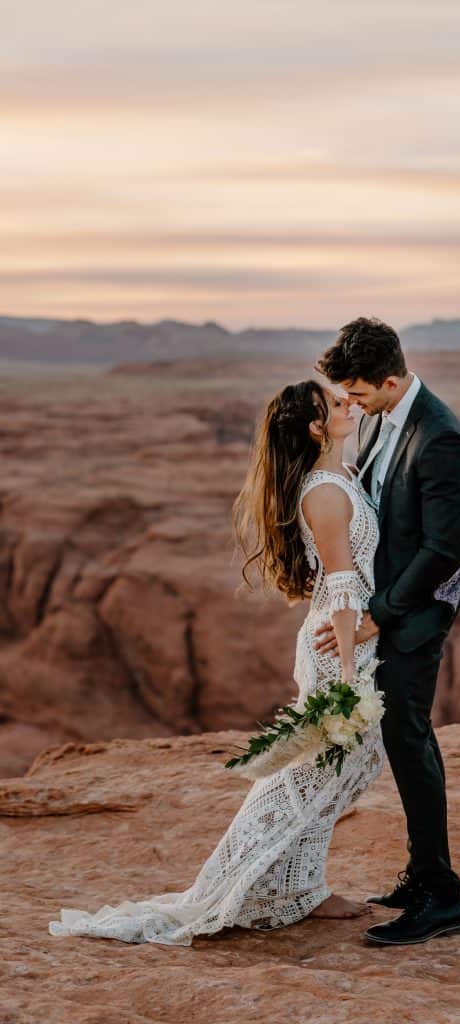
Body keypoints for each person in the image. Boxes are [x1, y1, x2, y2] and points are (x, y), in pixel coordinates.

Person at [48, 379, 386, 946]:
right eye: (334, 403)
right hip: (339, 646)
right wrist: (350, 674)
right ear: (314, 428)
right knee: (316, 770)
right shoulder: (326, 492)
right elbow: (344, 584)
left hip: (348, 638)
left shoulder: (340, 476)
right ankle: (241, 882)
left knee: (348, 767)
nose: (347, 404)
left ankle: (300, 885)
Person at [314, 315, 460, 946]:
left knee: (408, 739)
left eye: (358, 392)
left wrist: (378, 613)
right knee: (405, 738)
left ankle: (442, 897)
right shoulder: (382, 415)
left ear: (389, 380)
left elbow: (441, 551)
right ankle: (421, 875)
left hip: (415, 612)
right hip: (388, 602)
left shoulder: (440, 437)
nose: (351, 404)